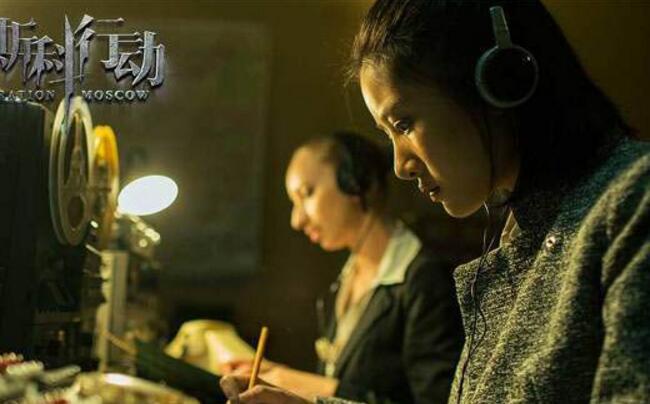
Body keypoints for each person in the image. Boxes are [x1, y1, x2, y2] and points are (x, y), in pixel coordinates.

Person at [221, 1, 650, 403]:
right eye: (388, 134)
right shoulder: (522, 235)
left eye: (404, 123)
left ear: (499, 81)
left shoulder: (633, 199)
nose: (400, 166)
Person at [227, 131, 463, 403]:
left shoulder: (426, 280)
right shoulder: (348, 275)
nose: (297, 220)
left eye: (306, 194)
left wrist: (306, 385)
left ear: (355, 182)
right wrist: (277, 376)